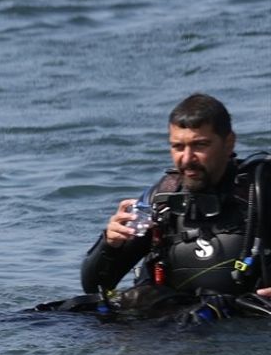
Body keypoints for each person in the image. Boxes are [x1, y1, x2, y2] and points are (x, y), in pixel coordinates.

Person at [81, 93, 270, 315]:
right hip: (173, 328)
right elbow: (94, 286)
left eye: (200, 145)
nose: (187, 158)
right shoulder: (161, 200)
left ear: (228, 143)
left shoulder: (261, 192)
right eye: (178, 147)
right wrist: (109, 245)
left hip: (244, 329)